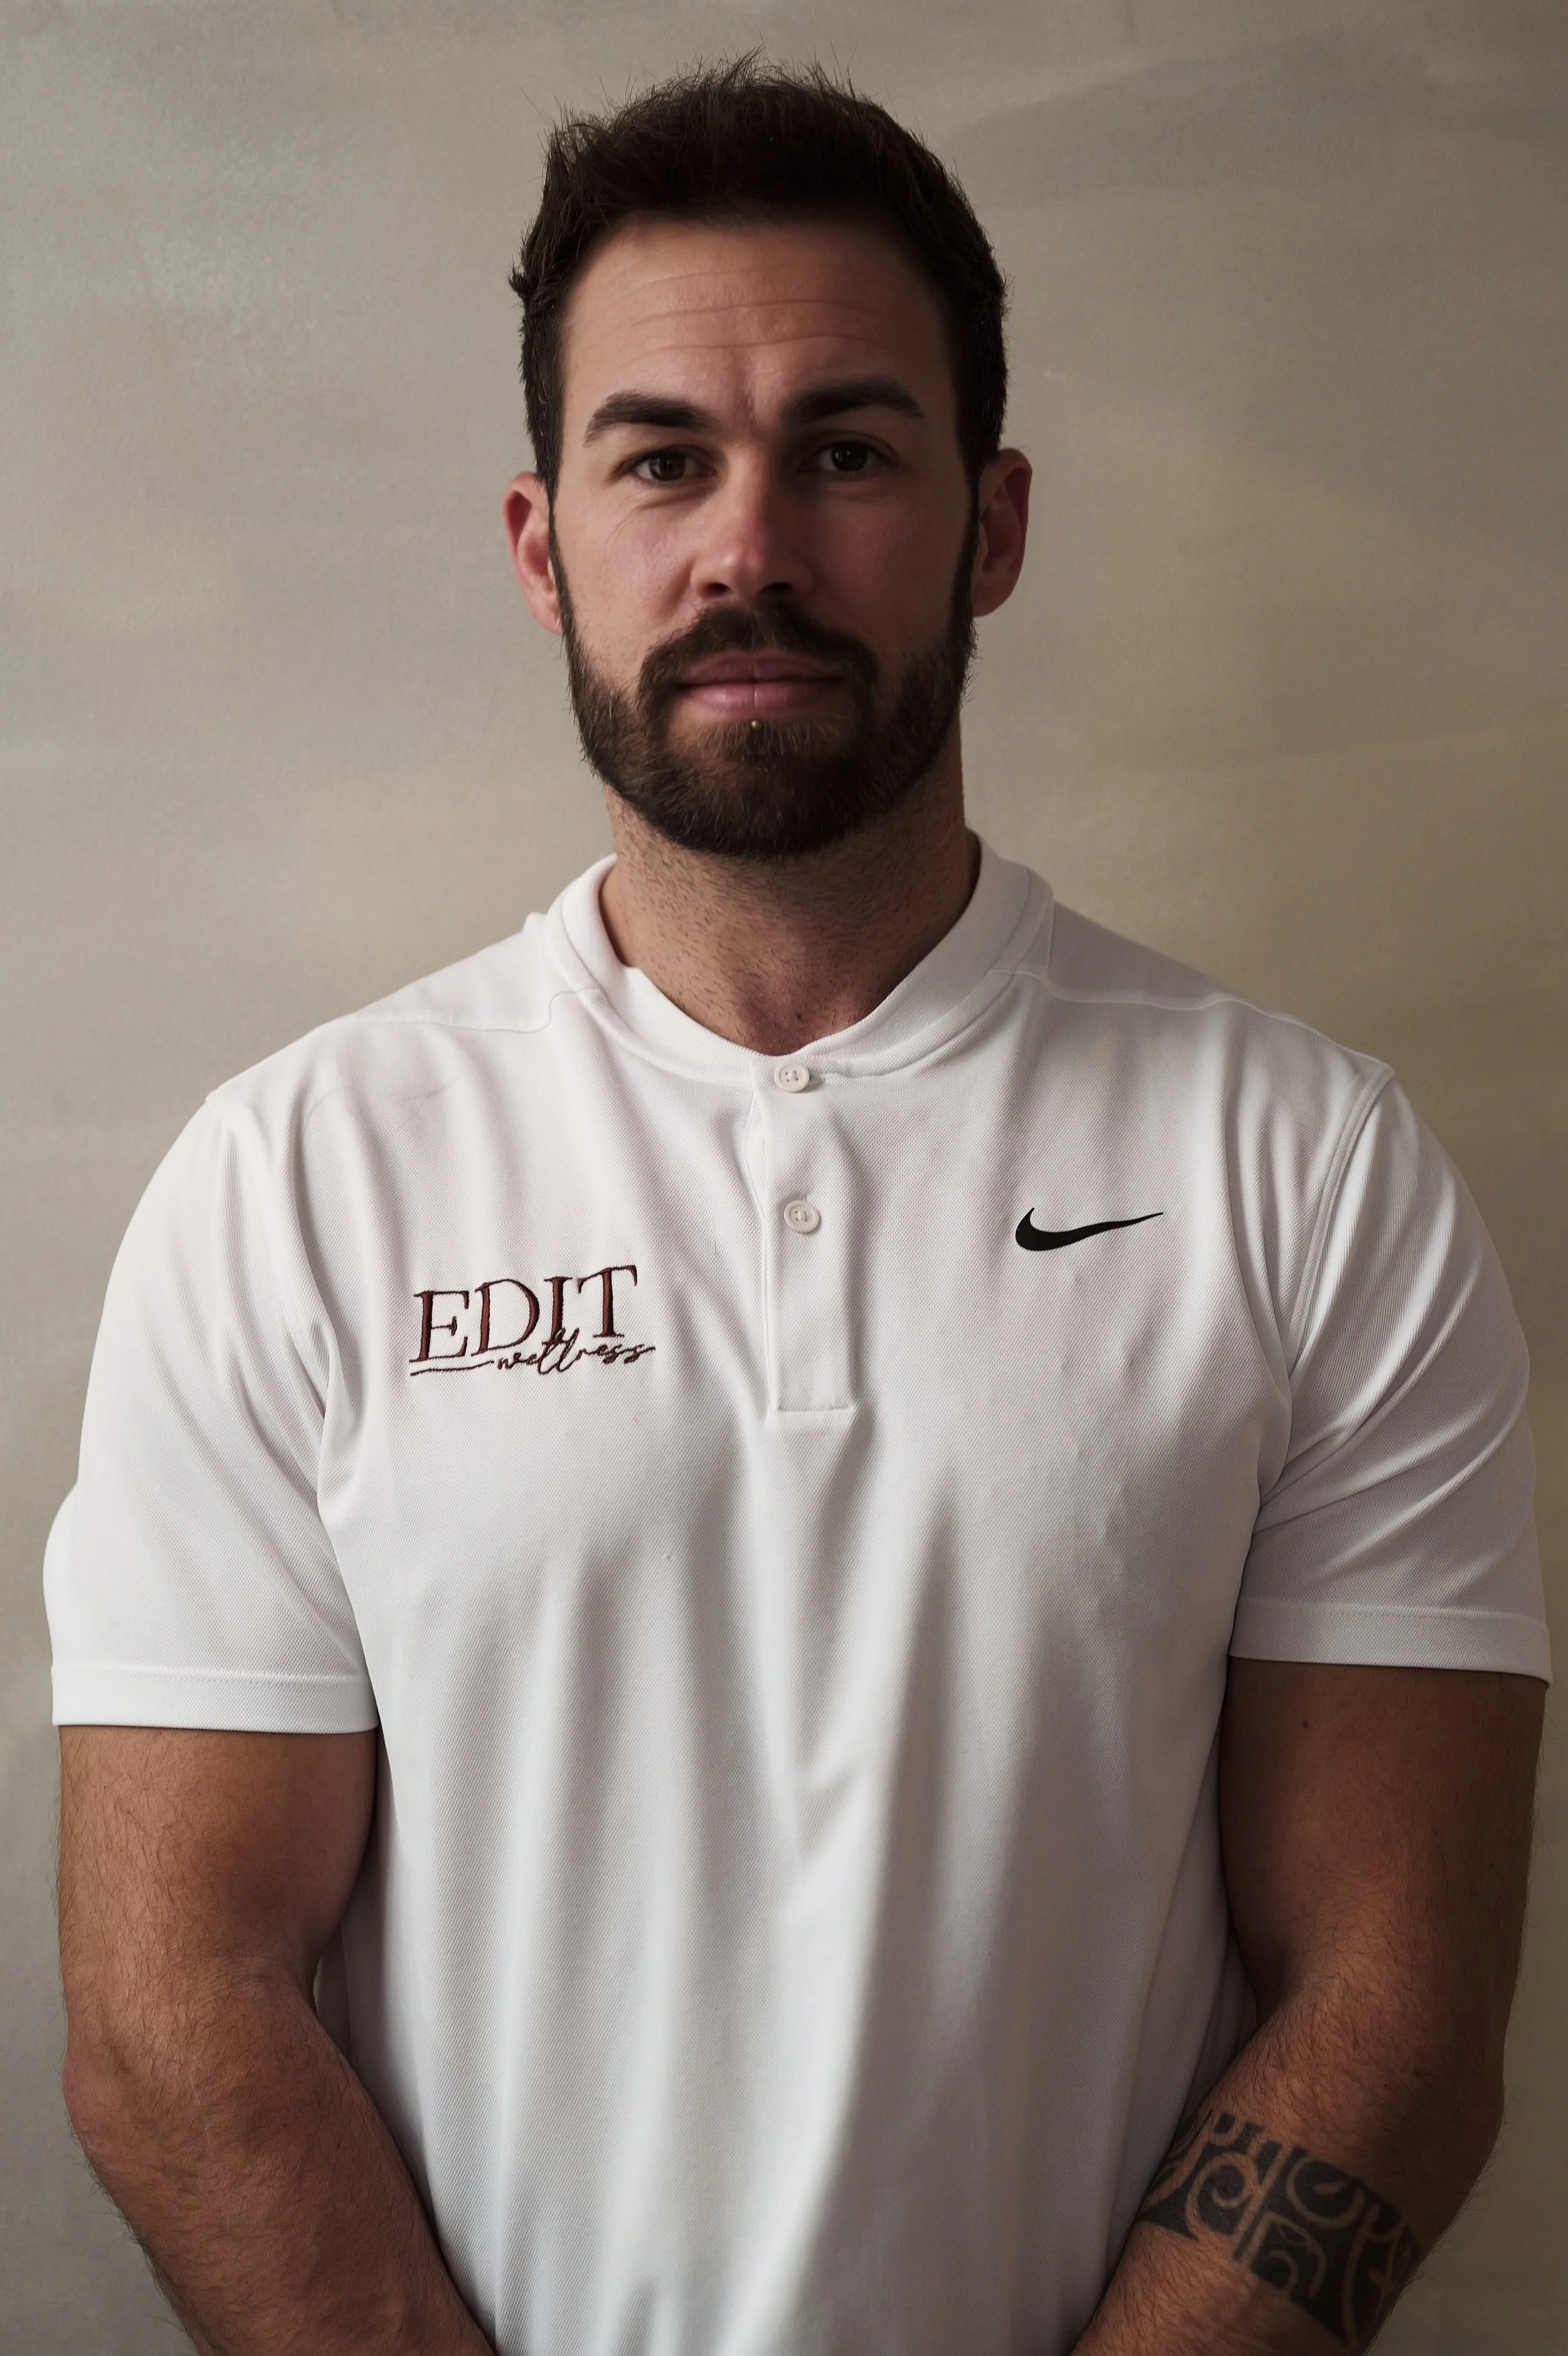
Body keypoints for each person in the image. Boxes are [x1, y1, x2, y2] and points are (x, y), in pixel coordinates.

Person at [48, 56, 1548, 2356]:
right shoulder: (296, 1185)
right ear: (547, 545)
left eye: (846, 451)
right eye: (664, 458)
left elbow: (1395, 2013)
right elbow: (175, 2018)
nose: (749, 544)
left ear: (992, 525)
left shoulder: (1301, 1170)